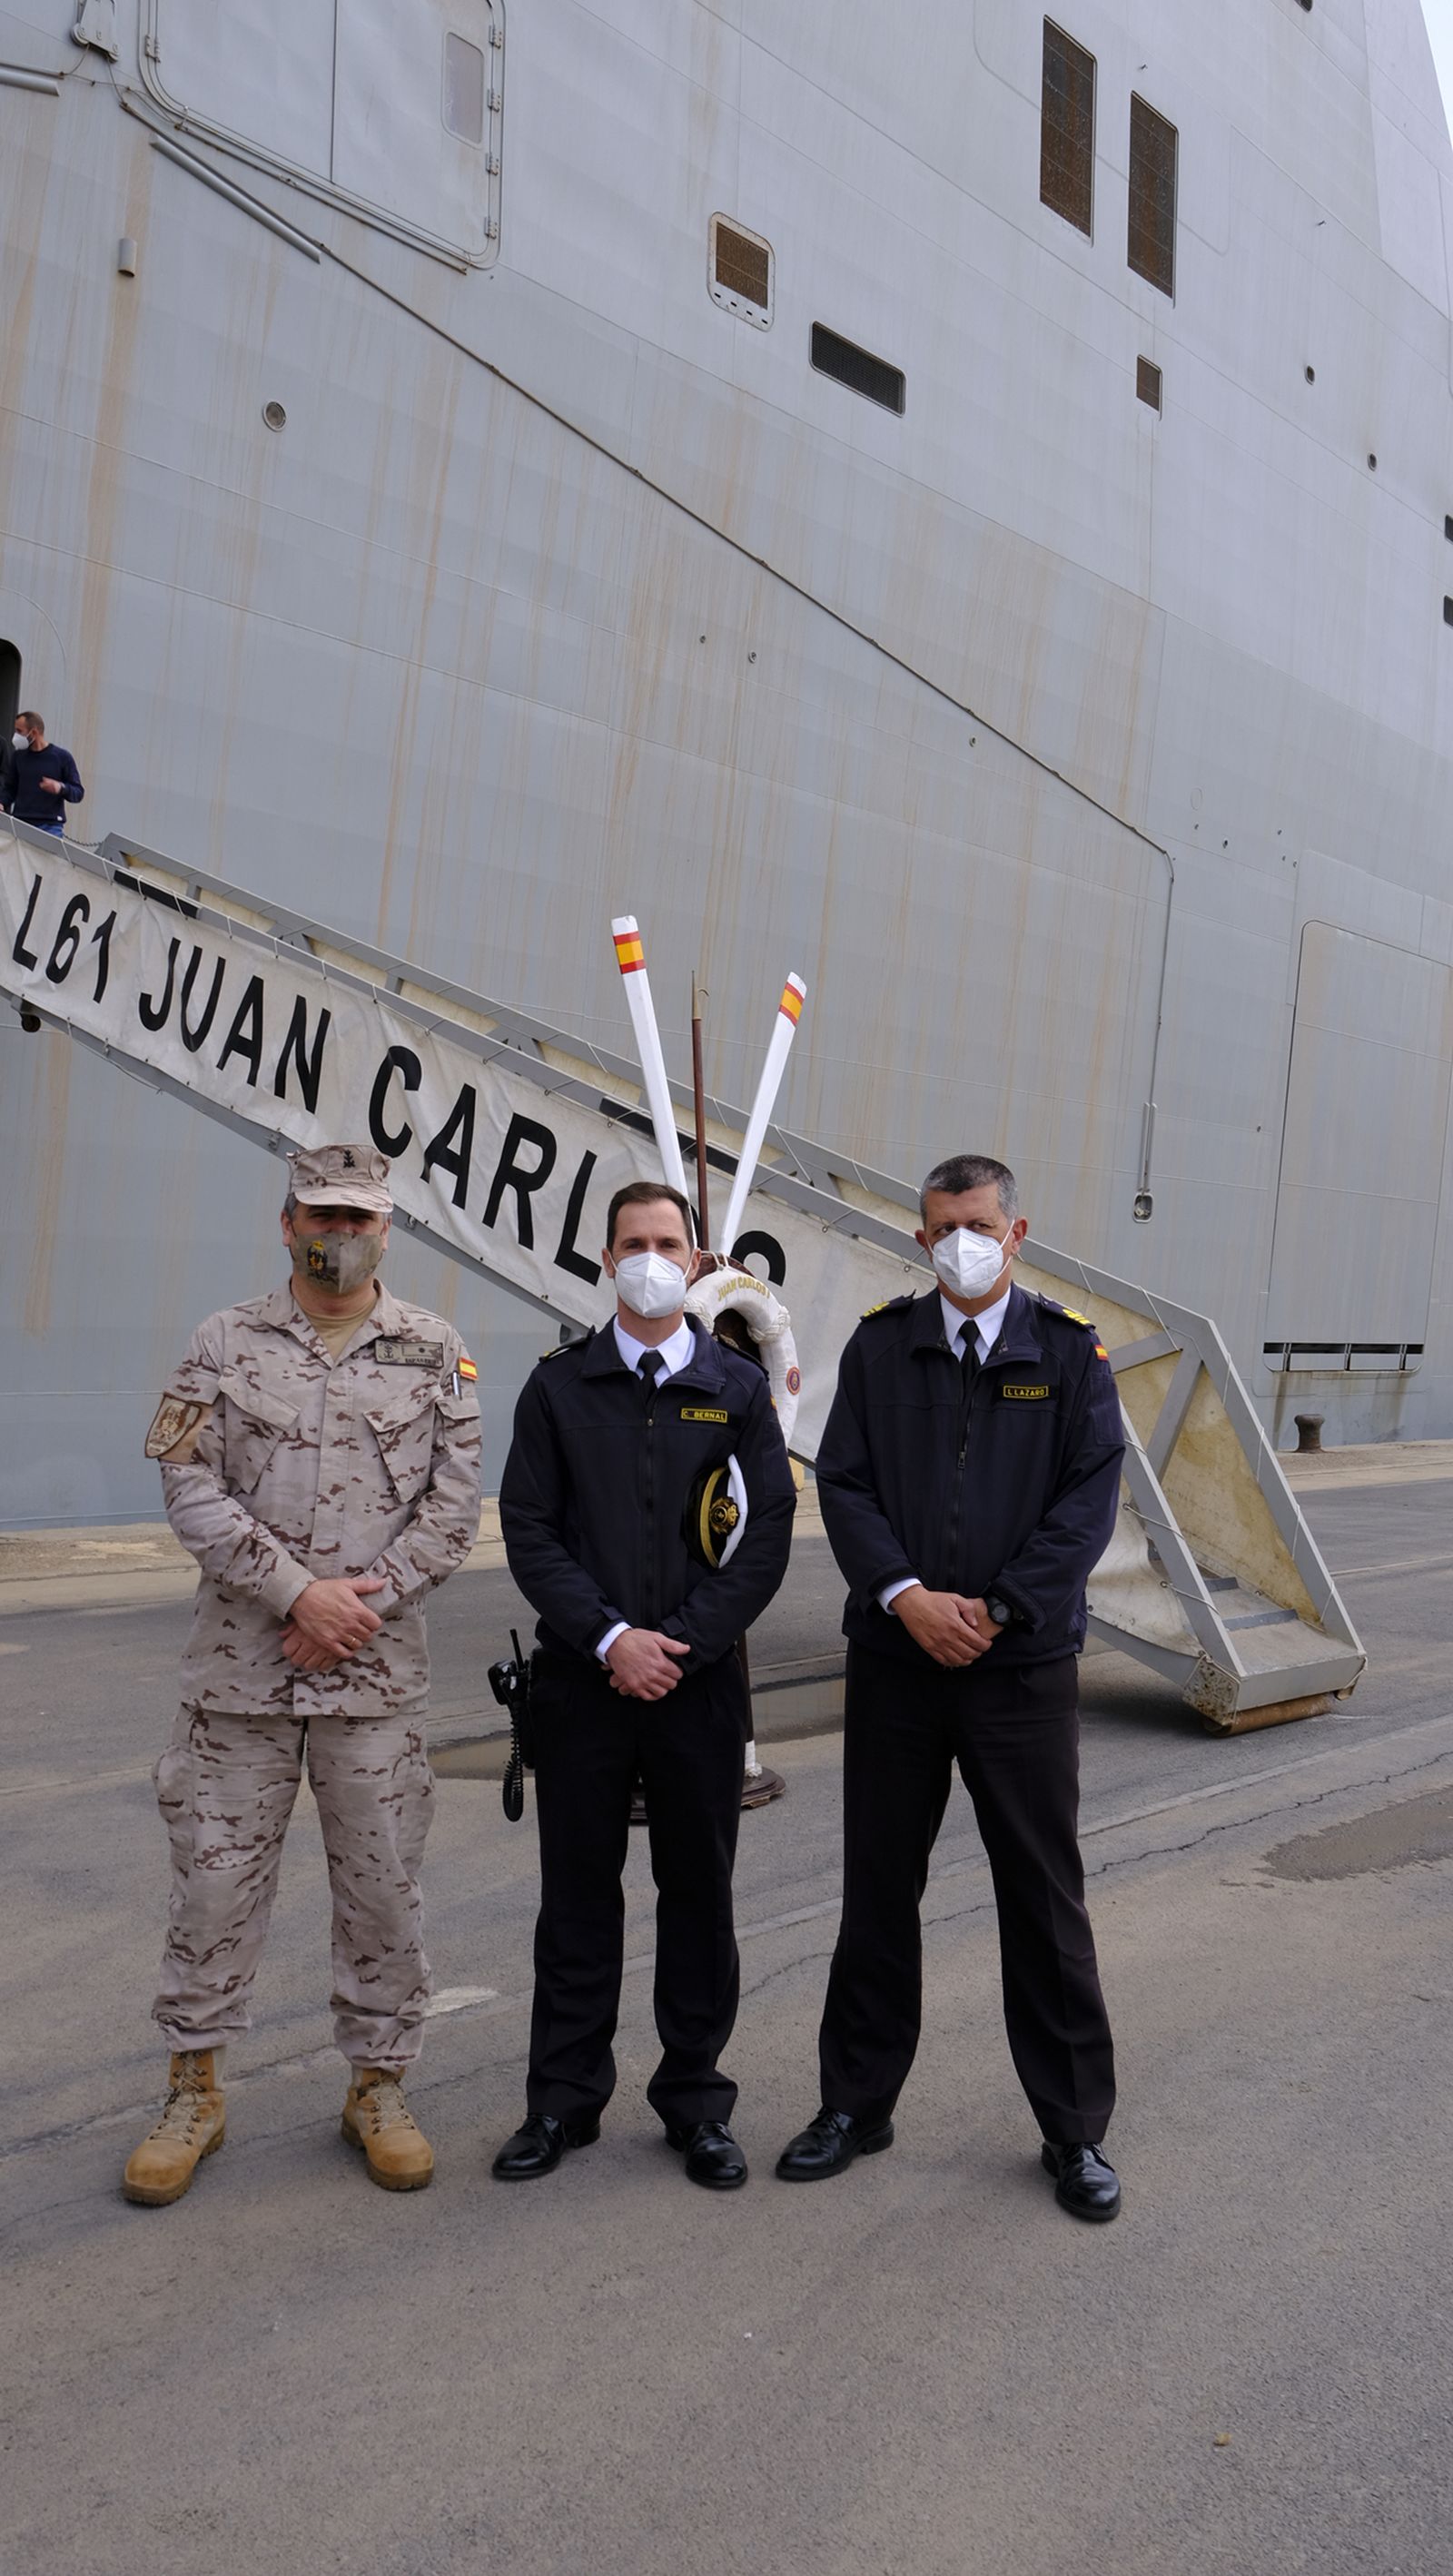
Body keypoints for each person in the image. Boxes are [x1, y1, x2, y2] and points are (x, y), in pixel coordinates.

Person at [122, 1144, 483, 2206]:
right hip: (240, 1682)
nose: (341, 1234)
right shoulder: (221, 1343)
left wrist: (351, 1610)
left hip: (371, 1683)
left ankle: (378, 2085)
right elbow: (186, 1483)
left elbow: (454, 1510)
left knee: (381, 1888)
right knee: (215, 1886)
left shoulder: (434, 1352)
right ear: (287, 1224)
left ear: (387, 1232)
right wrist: (297, 1593)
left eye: (360, 1219)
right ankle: (195, 2088)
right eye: (321, 1215)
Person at [776, 1154, 1126, 2221]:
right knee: (880, 1890)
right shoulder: (885, 1345)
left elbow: (1088, 1497)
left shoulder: (1069, 1355)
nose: (957, 1242)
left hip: (1018, 1668)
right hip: (897, 1661)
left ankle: (1072, 2132)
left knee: (1041, 1896)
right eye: (939, 1227)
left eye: (975, 1223)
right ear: (921, 1239)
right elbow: (843, 1481)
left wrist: (1002, 1607)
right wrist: (903, 1593)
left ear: (1015, 1231)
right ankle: (856, 2102)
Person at [495, 1179, 796, 2192]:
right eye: (634, 1241)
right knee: (576, 1900)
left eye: (668, 1241)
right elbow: (530, 1528)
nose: (651, 1256)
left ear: (696, 1254)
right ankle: (561, 2101)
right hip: (583, 1685)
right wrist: (614, 1636)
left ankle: (697, 2103)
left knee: (698, 1900)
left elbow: (764, 1538)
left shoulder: (737, 1388)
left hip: (699, 1688)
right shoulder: (558, 1386)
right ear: (607, 1254)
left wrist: (681, 1644)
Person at [1, 711, 84, 834]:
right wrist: (2, 802)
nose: (16, 736)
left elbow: (78, 792)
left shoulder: (62, 757)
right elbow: (10, 788)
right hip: (20, 823)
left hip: (50, 826)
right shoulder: (18, 757)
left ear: (34, 732)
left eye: (19, 731)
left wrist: (60, 787)